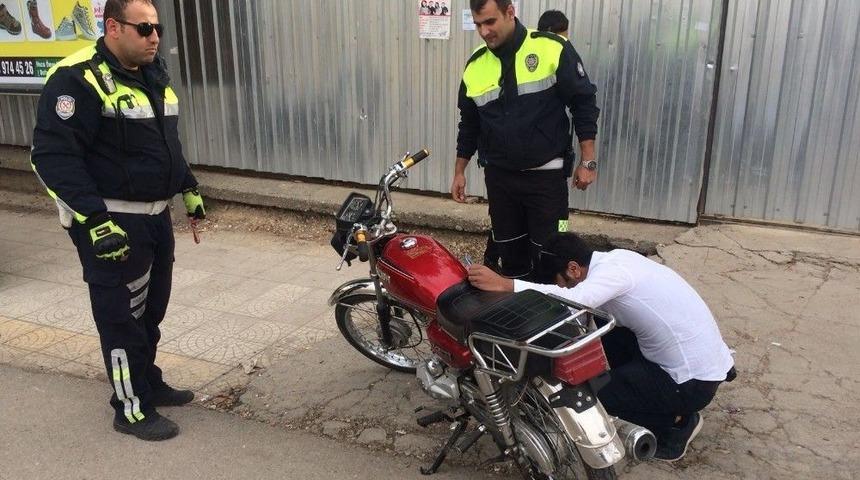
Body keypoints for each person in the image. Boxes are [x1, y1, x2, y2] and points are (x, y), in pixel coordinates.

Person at [30, 0, 205, 441]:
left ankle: (147, 381)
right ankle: (130, 408)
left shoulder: (153, 75)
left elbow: (166, 143)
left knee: (151, 311)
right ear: (113, 27)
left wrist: (188, 186)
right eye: (144, 28)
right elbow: (53, 158)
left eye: (158, 28)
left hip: (156, 218)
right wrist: (95, 221)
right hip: (112, 223)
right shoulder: (78, 78)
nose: (154, 37)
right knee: (121, 319)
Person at [467, 232, 736, 461]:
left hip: (690, 384)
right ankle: (648, 393)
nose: (563, 286)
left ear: (574, 268)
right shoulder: (616, 258)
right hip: (701, 364)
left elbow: (575, 299)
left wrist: (506, 285)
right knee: (602, 318)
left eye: (561, 281)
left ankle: (675, 426)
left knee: (593, 401)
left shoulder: (612, 276)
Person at [452, 0, 599, 280]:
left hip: (547, 181)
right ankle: (517, 316)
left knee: (555, 254)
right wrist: (459, 170)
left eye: (490, 22)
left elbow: (584, 103)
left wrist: (588, 161)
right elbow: (469, 124)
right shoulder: (475, 65)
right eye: (478, 24)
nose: (484, 31)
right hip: (500, 181)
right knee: (509, 254)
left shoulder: (551, 48)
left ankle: (556, 318)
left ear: (510, 12)